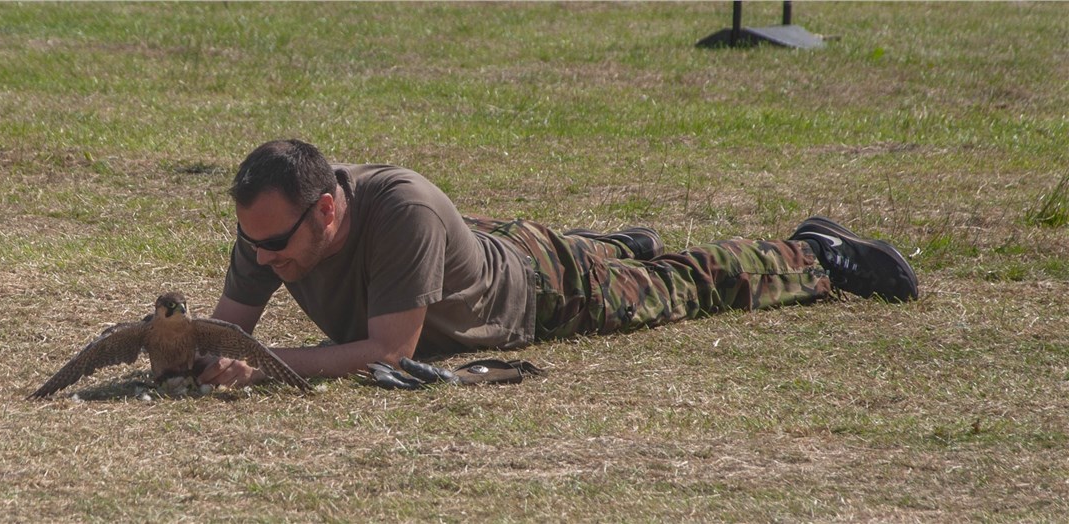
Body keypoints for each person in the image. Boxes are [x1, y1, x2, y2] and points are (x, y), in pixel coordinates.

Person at [196, 139, 919, 387]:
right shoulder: (270, 221)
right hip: (472, 248)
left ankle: (813, 253)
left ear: (326, 210)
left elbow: (389, 351)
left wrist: (261, 367)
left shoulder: (399, 209)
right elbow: (225, 331)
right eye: (251, 243)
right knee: (524, 243)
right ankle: (611, 244)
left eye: (274, 245)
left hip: (537, 289)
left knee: (674, 287)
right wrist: (191, 354)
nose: (261, 258)